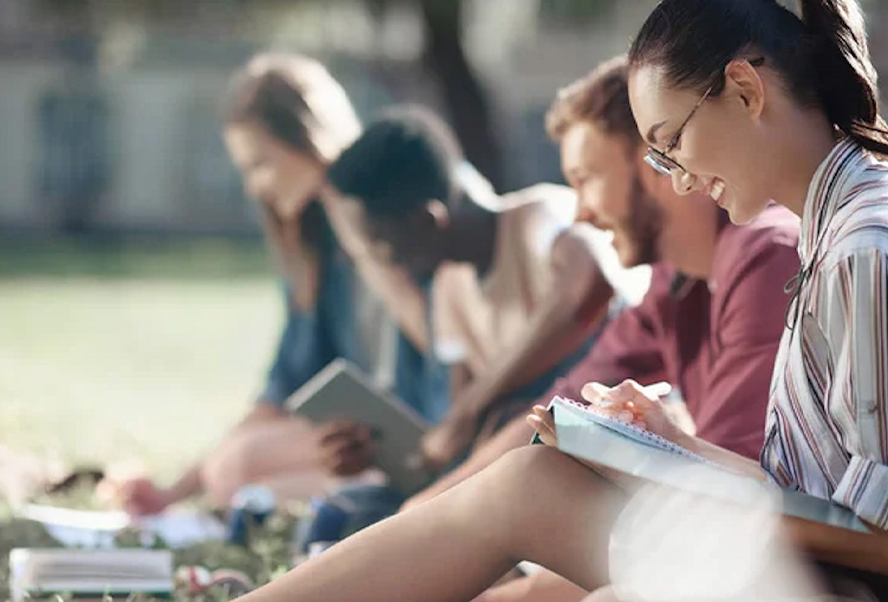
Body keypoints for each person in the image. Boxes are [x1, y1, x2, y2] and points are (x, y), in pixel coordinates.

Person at [223, 0, 888, 599]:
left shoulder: (862, 245)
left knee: (530, 497)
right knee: (532, 486)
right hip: (799, 571)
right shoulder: (831, 232)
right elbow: (816, 494)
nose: (681, 183)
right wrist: (669, 445)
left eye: (671, 145)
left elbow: (876, 535)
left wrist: (680, 481)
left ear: (744, 90)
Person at [118, 54, 443, 515]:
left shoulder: (398, 214)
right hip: (360, 439)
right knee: (230, 470)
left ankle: (381, 499)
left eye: (262, 164)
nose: (254, 187)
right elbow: (281, 392)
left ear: (310, 138)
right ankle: (355, 499)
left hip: (429, 433)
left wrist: (356, 229)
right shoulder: (314, 249)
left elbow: (441, 346)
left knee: (238, 468)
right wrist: (172, 493)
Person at [323, 106, 645, 470]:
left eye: (377, 242)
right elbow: (464, 426)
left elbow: (588, 287)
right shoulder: (449, 287)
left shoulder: (540, 216)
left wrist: (472, 408)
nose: (377, 261)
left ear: (426, 220)